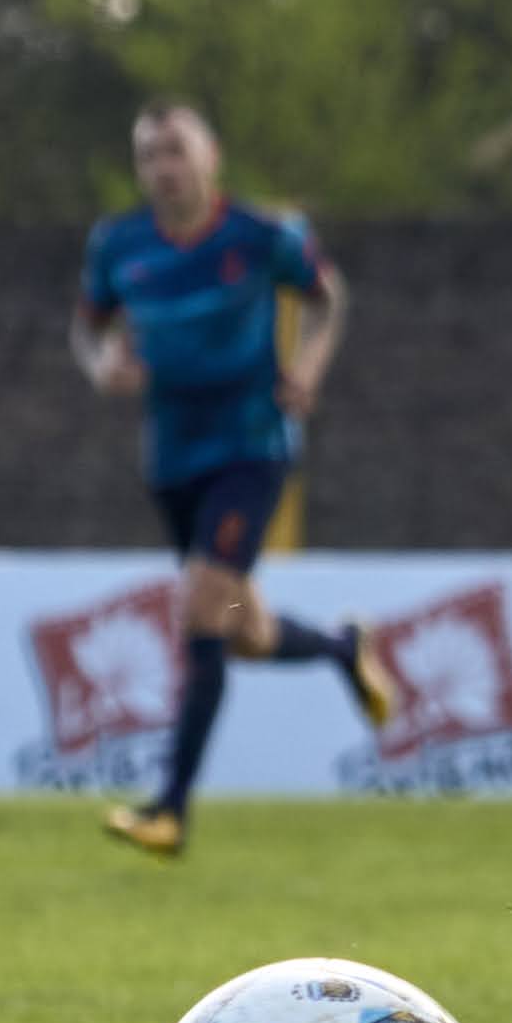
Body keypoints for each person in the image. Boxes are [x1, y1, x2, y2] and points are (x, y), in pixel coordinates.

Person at [71, 101, 390, 858]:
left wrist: (308, 367)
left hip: (251, 449)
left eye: (175, 151)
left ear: (210, 157)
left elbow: (328, 297)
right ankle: (344, 649)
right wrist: (101, 365)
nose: (163, 168)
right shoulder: (118, 245)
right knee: (240, 630)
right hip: (171, 461)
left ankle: (168, 811)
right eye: (149, 154)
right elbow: (88, 325)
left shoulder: (262, 235)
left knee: (200, 609)